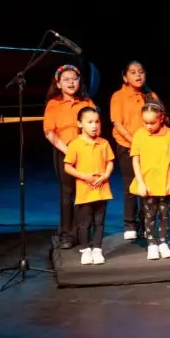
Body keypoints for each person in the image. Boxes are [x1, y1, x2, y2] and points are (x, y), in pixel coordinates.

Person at [43, 65, 96, 250]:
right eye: (66, 79)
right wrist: (69, 151)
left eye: (74, 78)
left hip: (87, 153)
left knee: (85, 193)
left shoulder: (87, 102)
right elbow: (49, 132)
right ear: (58, 83)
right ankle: (66, 234)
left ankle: (83, 233)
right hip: (64, 152)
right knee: (67, 194)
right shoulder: (54, 104)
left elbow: (95, 126)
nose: (71, 82)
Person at [110, 61, 159, 241]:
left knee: (149, 185)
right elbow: (118, 124)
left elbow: (160, 119)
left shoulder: (150, 95)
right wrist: (136, 143)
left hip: (151, 148)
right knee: (131, 185)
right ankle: (130, 223)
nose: (138, 75)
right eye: (133, 72)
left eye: (141, 72)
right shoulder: (118, 96)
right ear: (125, 77)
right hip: (127, 146)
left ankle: (148, 223)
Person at [63, 107, 114, 265]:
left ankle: (97, 248)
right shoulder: (75, 144)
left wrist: (105, 175)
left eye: (97, 122)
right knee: (85, 222)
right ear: (80, 124)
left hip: (102, 190)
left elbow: (110, 162)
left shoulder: (103, 143)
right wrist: (83, 176)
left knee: (99, 221)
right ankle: (85, 249)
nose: (94, 125)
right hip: (85, 191)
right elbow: (68, 166)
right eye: (90, 122)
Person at [130, 101, 170, 261]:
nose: (149, 126)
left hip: (164, 182)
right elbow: (135, 161)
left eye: (152, 122)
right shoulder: (139, 134)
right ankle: (152, 244)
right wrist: (140, 182)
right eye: (145, 122)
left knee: (164, 214)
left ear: (161, 119)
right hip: (147, 182)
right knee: (149, 215)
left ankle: (163, 242)